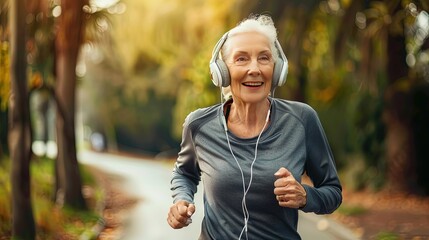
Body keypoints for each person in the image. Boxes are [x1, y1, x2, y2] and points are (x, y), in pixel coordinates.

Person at [167, 14, 342, 240]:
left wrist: (306, 197)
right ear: (222, 72)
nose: (254, 69)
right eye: (241, 59)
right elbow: (184, 173)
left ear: (277, 70)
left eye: (264, 58)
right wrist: (181, 200)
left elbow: (333, 192)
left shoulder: (302, 120)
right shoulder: (199, 125)